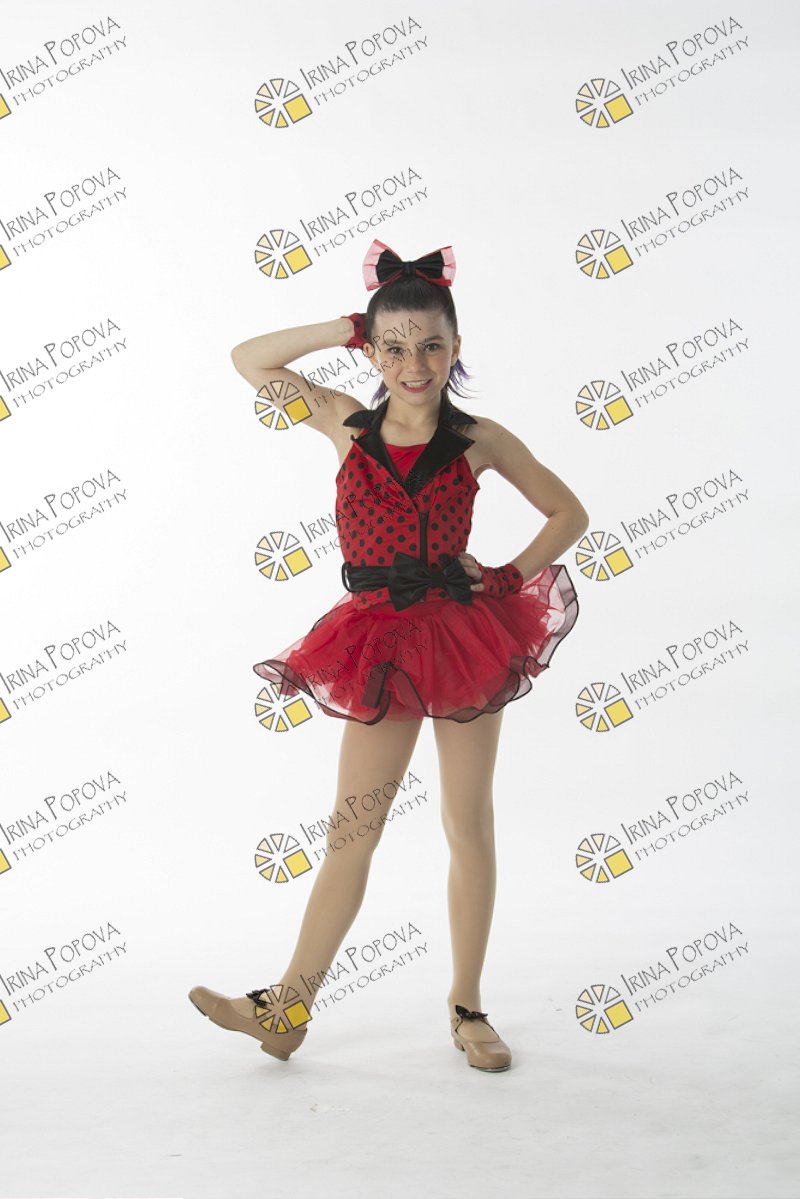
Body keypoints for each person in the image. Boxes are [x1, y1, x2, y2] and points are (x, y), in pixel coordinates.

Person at [189, 239, 588, 1071]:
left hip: (463, 638)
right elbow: (248, 360)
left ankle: (468, 1006)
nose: (414, 364)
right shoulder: (344, 422)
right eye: (394, 347)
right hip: (376, 641)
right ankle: (288, 1007)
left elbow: (568, 512)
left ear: (456, 347)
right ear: (371, 351)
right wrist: (345, 325)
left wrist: (505, 575)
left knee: (466, 822)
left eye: (432, 346)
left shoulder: (479, 438)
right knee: (353, 829)